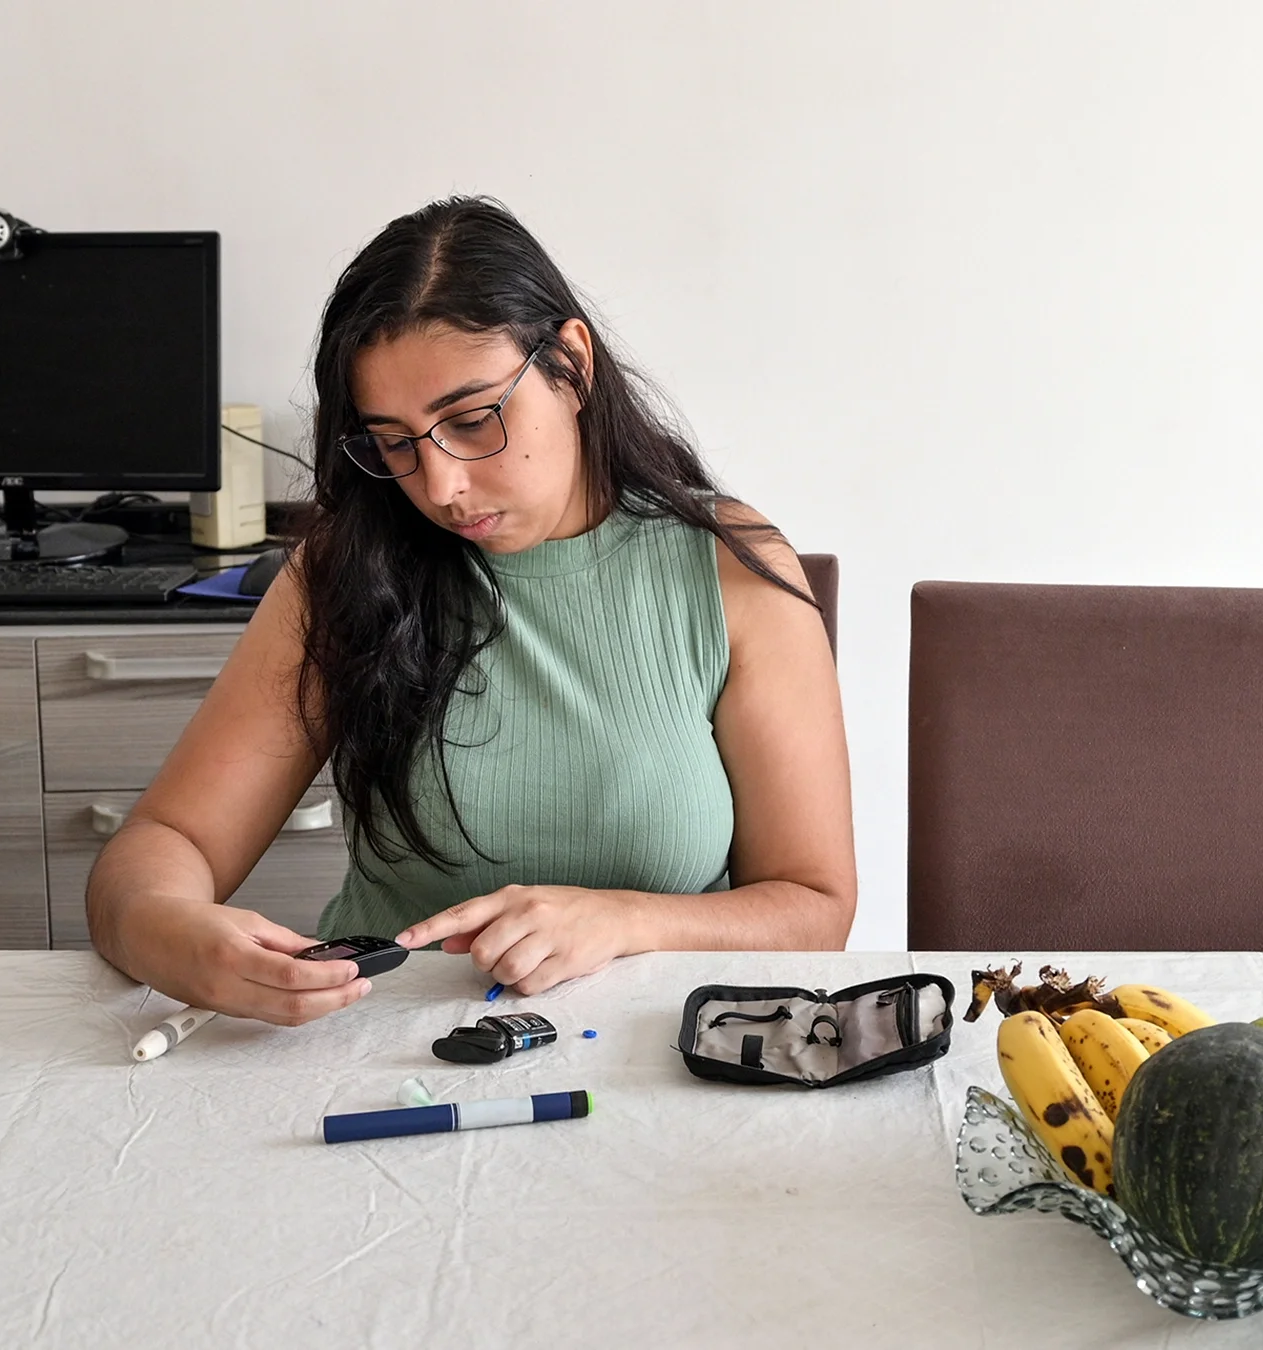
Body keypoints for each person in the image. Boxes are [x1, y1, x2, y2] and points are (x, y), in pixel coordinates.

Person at [86, 197, 854, 1023]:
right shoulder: (346, 572)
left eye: (472, 418)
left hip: (652, 1058)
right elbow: (164, 846)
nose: (440, 487)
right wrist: (169, 930)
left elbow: (817, 907)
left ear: (572, 365)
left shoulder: (728, 568)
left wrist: (627, 920)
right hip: (380, 1052)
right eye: (394, 441)